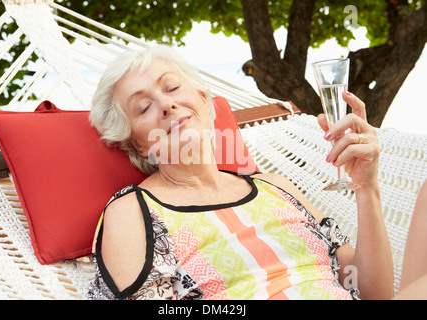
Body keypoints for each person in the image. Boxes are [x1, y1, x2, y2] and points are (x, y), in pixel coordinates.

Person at [87, 45, 394, 300]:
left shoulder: (276, 187)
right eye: (143, 107)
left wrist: (366, 187)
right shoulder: (134, 212)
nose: (166, 105)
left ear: (205, 102)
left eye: (172, 88)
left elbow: (371, 292)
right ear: (138, 145)